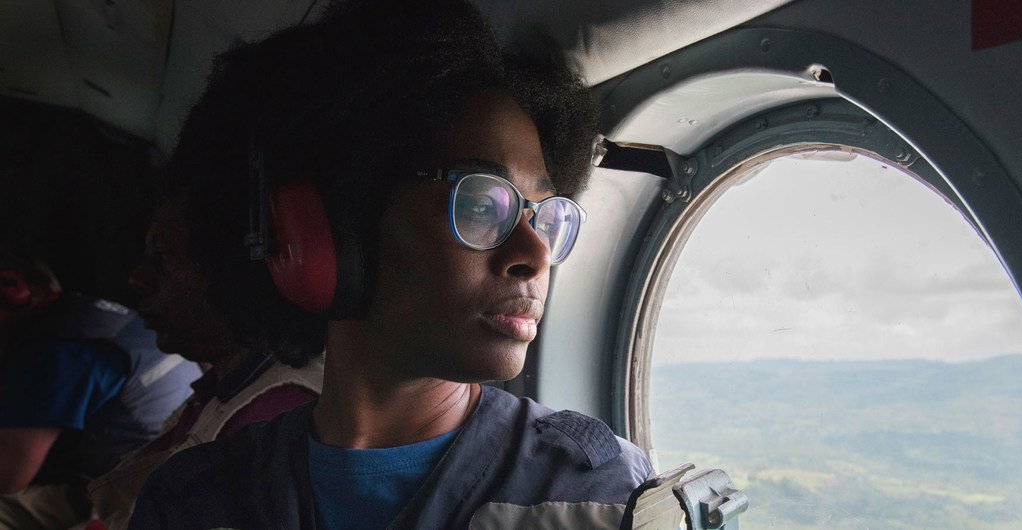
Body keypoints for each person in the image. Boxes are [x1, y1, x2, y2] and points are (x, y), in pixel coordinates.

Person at [129, 1, 654, 528]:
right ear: (330, 227)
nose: (535, 254)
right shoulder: (190, 502)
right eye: (480, 205)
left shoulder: (603, 498)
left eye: (543, 214)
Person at [85, 188, 327, 529]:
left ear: (236, 273)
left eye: (163, 260)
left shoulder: (270, 414)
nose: (137, 279)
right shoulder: (228, 386)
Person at [0, 251, 201, 530]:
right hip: (174, 475)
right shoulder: (96, 316)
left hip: (122, 497)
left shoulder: (52, 353)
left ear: (13, 290)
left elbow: (10, 477)